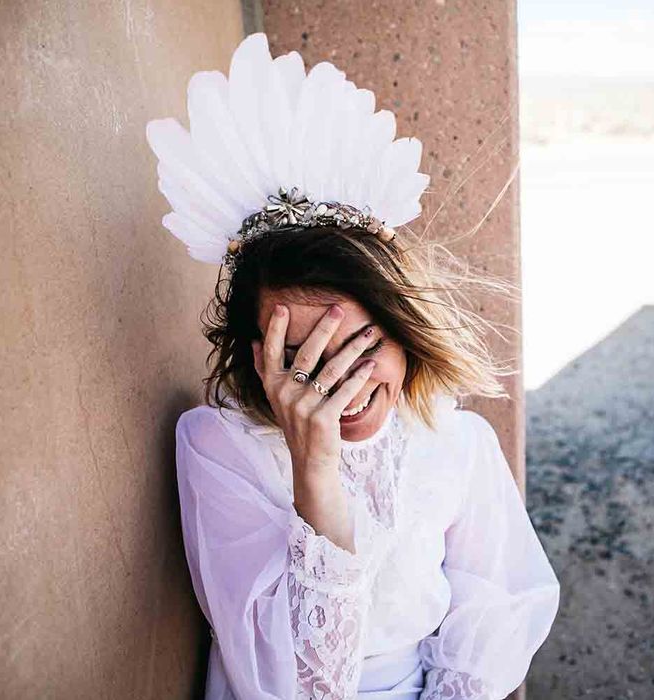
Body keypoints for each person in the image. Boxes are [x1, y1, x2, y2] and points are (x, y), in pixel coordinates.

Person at [146, 32, 560, 700]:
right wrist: (316, 472)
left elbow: (498, 599)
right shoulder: (218, 447)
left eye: (361, 346)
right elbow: (290, 686)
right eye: (304, 359)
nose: (344, 387)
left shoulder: (457, 441)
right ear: (260, 359)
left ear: (402, 332)